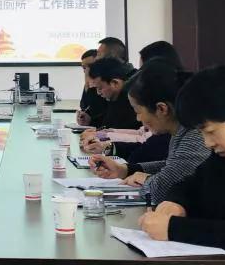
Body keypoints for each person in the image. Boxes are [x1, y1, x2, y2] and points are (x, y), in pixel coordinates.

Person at [139, 66, 225, 254]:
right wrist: (175, 203)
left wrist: (173, 229)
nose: (207, 143)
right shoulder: (223, 157)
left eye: (210, 131)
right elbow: (189, 184)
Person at [89, 60, 211, 204]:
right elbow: (171, 167)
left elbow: (161, 190)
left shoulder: (195, 135)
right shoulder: (181, 131)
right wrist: (124, 170)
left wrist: (146, 179)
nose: (138, 118)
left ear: (161, 109)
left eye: (138, 111)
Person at [86, 57, 141, 130]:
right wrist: (90, 121)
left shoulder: (131, 101)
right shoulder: (114, 98)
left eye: (100, 88)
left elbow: (114, 129)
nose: (98, 93)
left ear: (115, 83)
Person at [77, 49, 107, 126]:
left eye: (90, 66)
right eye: (84, 68)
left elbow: (99, 109)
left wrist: (91, 120)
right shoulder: (89, 83)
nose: (87, 70)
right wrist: (81, 116)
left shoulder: (107, 83)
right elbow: (84, 106)